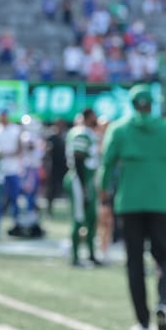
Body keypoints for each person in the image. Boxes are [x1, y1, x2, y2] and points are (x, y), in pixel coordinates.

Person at [97, 84, 166, 330]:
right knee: (162, 259)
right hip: (159, 202)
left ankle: (143, 321)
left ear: (133, 103)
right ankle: (161, 302)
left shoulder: (119, 129)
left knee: (134, 262)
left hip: (129, 203)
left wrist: (104, 195)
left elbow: (106, 166)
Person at [65, 108, 101, 267]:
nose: (96, 119)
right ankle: (75, 256)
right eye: (94, 116)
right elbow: (78, 159)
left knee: (92, 219)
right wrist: (84, 186)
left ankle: (91, 254)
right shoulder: (81, 133)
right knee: (79, 218)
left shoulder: (89, 133)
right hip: (79, 180)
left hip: (87, 181)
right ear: (87, 117)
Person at [0, 110, 23, 239]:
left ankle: (16, 226)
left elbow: (19, 149)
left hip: (13, 169)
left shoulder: (16, 129)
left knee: (14, 199)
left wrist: (6, 154)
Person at [44, 118, 68, 216]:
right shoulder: (52, 136)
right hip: (53, 166)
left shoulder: (65, 136)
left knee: (63, 188)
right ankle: (49, 209)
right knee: (51, 189)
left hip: (63, 166)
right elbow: (47, 151)